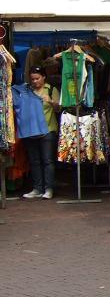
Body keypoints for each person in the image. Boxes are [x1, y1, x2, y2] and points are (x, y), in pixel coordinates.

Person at [20, 67, 60, 199]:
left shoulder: (51, 89)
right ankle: (37, 188)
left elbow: (59, 108)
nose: (35, 81)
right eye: (32, 79)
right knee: (34, 161)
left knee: (48, 160)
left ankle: (48, 189)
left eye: (37, 78)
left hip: (48, 130)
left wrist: (51, 101)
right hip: (31, 130)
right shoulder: (27, 91)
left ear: (44, 77)